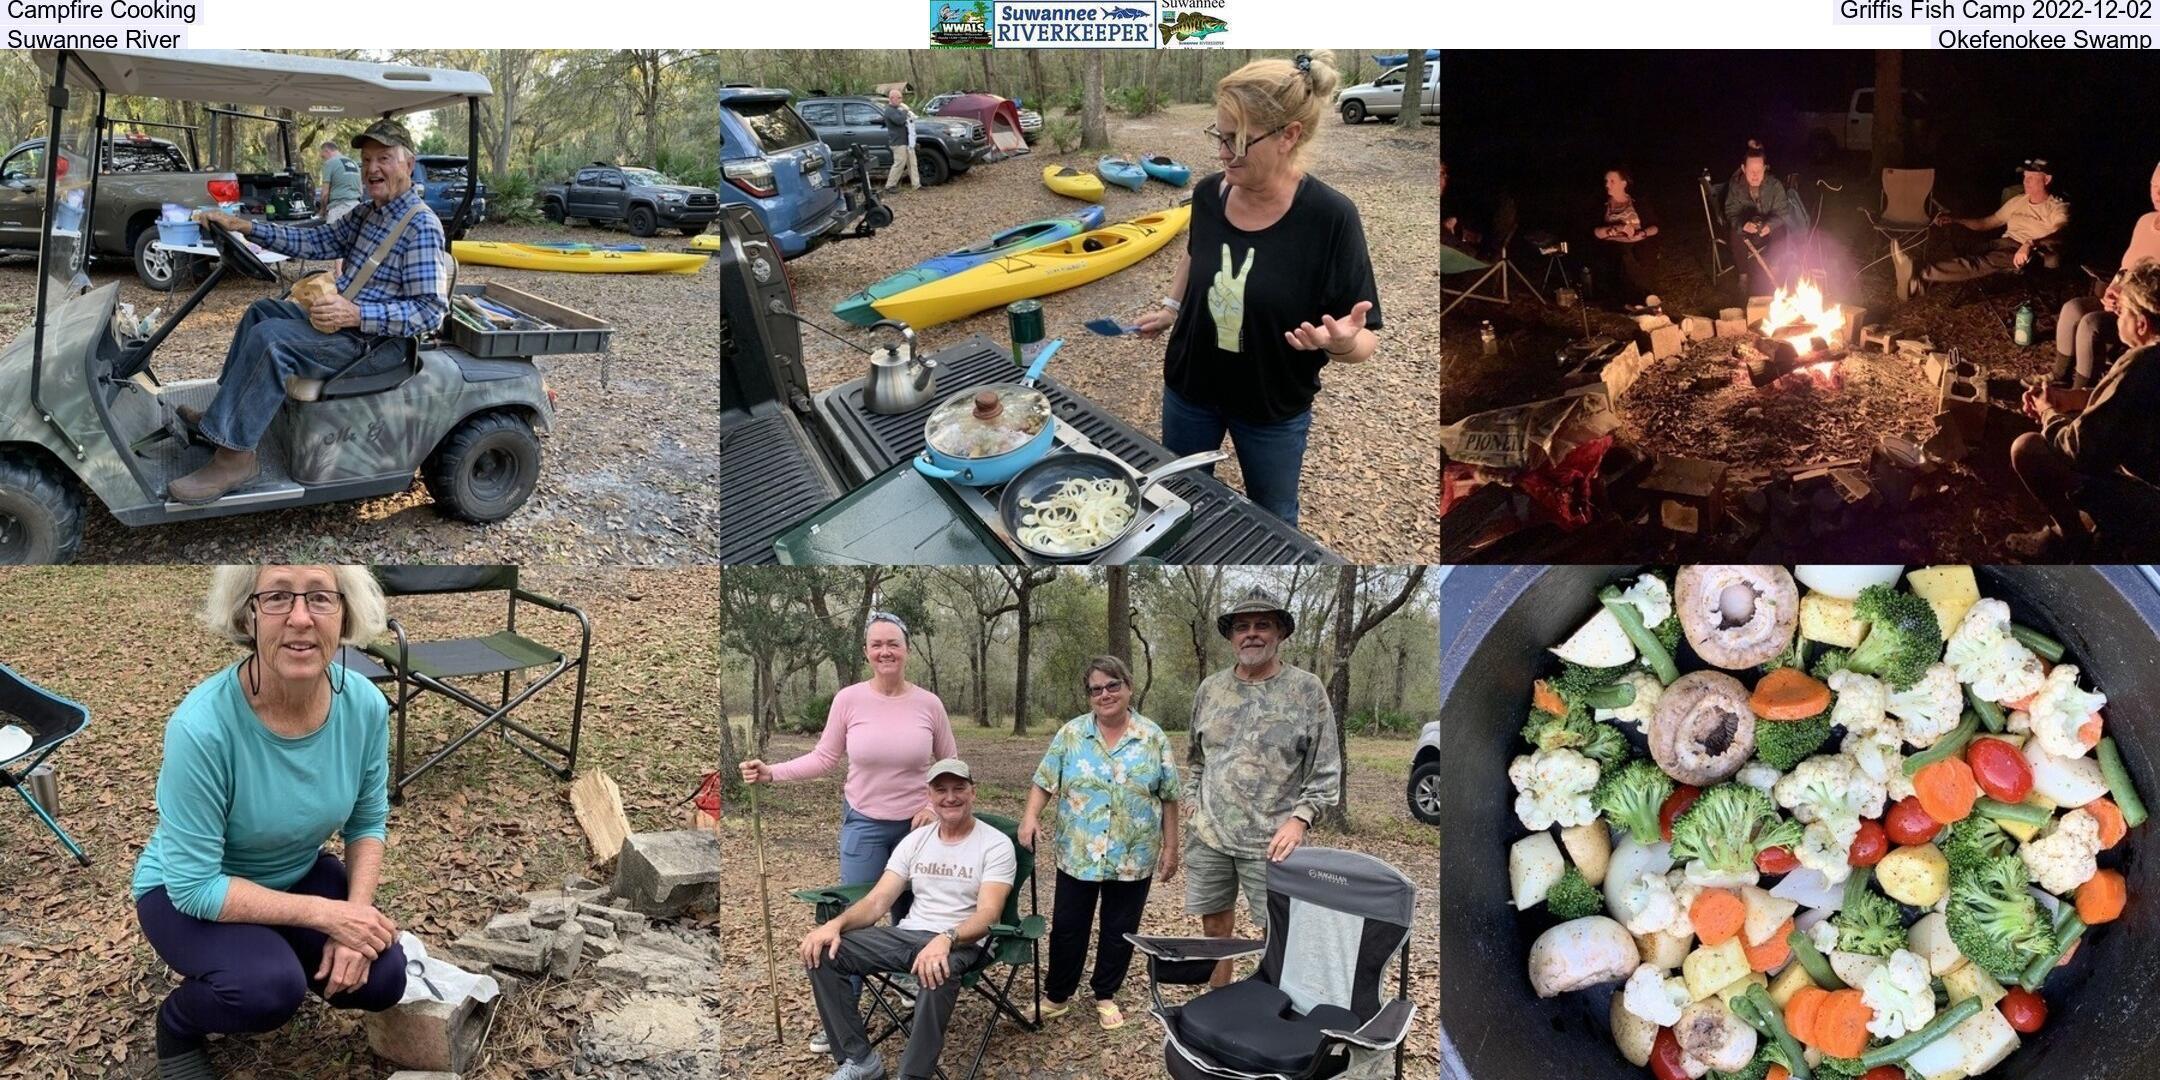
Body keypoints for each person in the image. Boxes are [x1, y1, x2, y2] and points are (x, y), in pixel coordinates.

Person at [133, 566, 402, 1079]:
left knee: (384, 976)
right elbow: (193, 887)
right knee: (266, 989)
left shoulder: (364, 705)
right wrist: (325, 917)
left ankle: (276, 948)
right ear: (248, 613)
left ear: (344, 614)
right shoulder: (202, 727)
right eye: (277, 596)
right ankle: (178, 1023)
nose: (300, 618)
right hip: (187, 893)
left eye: (321, 597)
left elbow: (367, 820)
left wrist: (354, 918)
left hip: (293, 871)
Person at [1134, 51, 1382, 529]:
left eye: (1239, 141)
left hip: (1272, 409)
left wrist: (1345, 343)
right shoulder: (1209, 193)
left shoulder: (1331, 218)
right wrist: (1171, 307)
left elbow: (1364, 336)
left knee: (1274, 519)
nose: (1223, 154)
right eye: (1219, 137)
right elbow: (1196, 251)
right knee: (1175, 503)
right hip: (1190, 390)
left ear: (1289, 135)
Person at [173, 119, 449, 505]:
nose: (372, 169)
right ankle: (223, 420)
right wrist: (247, 228)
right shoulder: (368, 213)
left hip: (379, 345)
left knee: (272, 342)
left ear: (408, 164)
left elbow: (430, 312)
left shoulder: (421, 226)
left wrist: (355, 314)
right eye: (367, 159)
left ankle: (235, 458)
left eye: (384, 158)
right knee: (262, 313)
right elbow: (315, 238)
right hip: (350, 330)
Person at [739, 611, 953, 1053]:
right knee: (855, 921)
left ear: (906, 649)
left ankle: (908, 986)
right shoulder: (849, 700)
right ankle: (843, 1015)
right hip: (865, 824)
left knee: (914, 916)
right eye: (876, 644)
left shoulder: (929, 704)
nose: (885, 651)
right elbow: (823, 758)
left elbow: (951, 766)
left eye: (892, 643)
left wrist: (933, 806)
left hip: (919, 830)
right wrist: (771, 773)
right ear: (866, 652)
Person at [801, 758, 1016, 1080]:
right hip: (909, 934)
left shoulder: (995, 844)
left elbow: (989, 914)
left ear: (974, 792)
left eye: (959, 788)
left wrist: (946, 939)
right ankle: (859, 1060)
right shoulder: (916, 840)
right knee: (824, 952)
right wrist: (834, 925)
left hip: (964, 940)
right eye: (940, 790)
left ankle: (913, 1075)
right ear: (929, 795)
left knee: (936, 969)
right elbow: (876, 901)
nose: (950, 797)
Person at [1183, 587, 1342, 987]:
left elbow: (1324, 772)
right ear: (1231, 636)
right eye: (1242, 627)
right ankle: (1219, 999)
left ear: (1280, 634)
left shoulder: (1306, 690)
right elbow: (1196, 759)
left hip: (1271, 842)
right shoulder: (1210, 689)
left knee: (1278, 933)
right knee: (1216, 928)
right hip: (1210, 835)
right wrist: (1191, 802)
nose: (1251, 634)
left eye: (1262, 625)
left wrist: (1300, 820)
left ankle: (1274, 1006)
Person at [1018, 656, 1180, 1031]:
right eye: (1096, 689)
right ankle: (1057, 996)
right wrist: (1030, 817)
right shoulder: (1071, 734)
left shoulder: (1152, 737)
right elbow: (1044, 781)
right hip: (1078, 853)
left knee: (1119, 927)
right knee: (1069, 926)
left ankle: (1105, 993)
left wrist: (1171, 847)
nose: (1105, 694)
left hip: (1132, 854)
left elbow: (1169, 795)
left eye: (1112, 685)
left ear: (1128, 687)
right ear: (1089, 695)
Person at [2009, 258, 2160, 558]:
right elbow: (2125, 402)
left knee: (2028, 449)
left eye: (2121, 313)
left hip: (2151, 501)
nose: (2115, 318)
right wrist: (2068, 399)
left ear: (2141, 324)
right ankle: (2102, 528)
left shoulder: (2142, 363)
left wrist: (2048, 413)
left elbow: (2076, 450)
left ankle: (2074, 538)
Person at [2052, 162, 2160, 387]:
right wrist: (2113, 289)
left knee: (2091, 324)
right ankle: (2058, 378)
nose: (2157, 193)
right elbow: (2124, 269)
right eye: (2154, 185)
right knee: (2073, 309)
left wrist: (2130, 304)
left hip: (2146, 316)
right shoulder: (2145, 222)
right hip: (2122, 301)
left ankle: (2080, 394)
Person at [1918, 158, 2069, 293]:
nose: (2025, 181)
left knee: (1980, 262)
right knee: (1965, 250)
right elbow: (1986, 223)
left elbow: (2061, 234)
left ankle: (1921, 273)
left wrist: (2031, 243)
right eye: (2024, 177)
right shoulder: (2019, 200)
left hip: (2031, 254)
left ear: (2047, 179)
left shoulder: (2057, 207)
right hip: (2004, 242)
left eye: (2031, 177)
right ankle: (1917, 283)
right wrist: (1957, 221)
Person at [1723, 140, 1809, 292]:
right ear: (1743, 168)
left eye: (1759, 170)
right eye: (1751, 171)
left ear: (1765, 168)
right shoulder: (1736, 187)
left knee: (1780, 230)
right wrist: (1743, 224)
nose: (1755, 175)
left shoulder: (1774, 186)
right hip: (1747, 230)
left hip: (1767, 229)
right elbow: (1731, 211)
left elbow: (1782, 211)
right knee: (1735, 232)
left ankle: (1774, 269)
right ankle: (1743, 275)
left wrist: (1770, 225)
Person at [1589, 166, 1661, 306]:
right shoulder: (1602, 205)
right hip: (1613, 245)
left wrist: (1643, 232)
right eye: (1606, 181)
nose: (1607, 184)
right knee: (1623, 254)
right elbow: (1595, 232)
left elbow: (1656, 227)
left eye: (1612, 181)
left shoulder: (1638, 202)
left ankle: (1639, 297)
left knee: (1633, 256)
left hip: (1638, 243)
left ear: (1623, 183)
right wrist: (1616, 228)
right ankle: (1640, 298)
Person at [881, 89, 920, 192]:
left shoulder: (898, 109)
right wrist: (906, 110)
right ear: (892, 98)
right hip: (898, 142)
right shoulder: (889, 110)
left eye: (901, 97)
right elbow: (900, 121)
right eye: (899, 98)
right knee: (899, 163)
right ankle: (889, 186)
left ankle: (916, 184)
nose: (901, 100)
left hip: (907, 141)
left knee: (912, 163)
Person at [317, 141, 363, 223]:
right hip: (356, 207)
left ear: (327, 151)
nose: (324, 160)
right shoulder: (354, 163)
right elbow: (361, 190)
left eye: (323, 157)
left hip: (338, 210)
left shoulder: (330, 163)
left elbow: (325, 194)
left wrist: (322, 211)